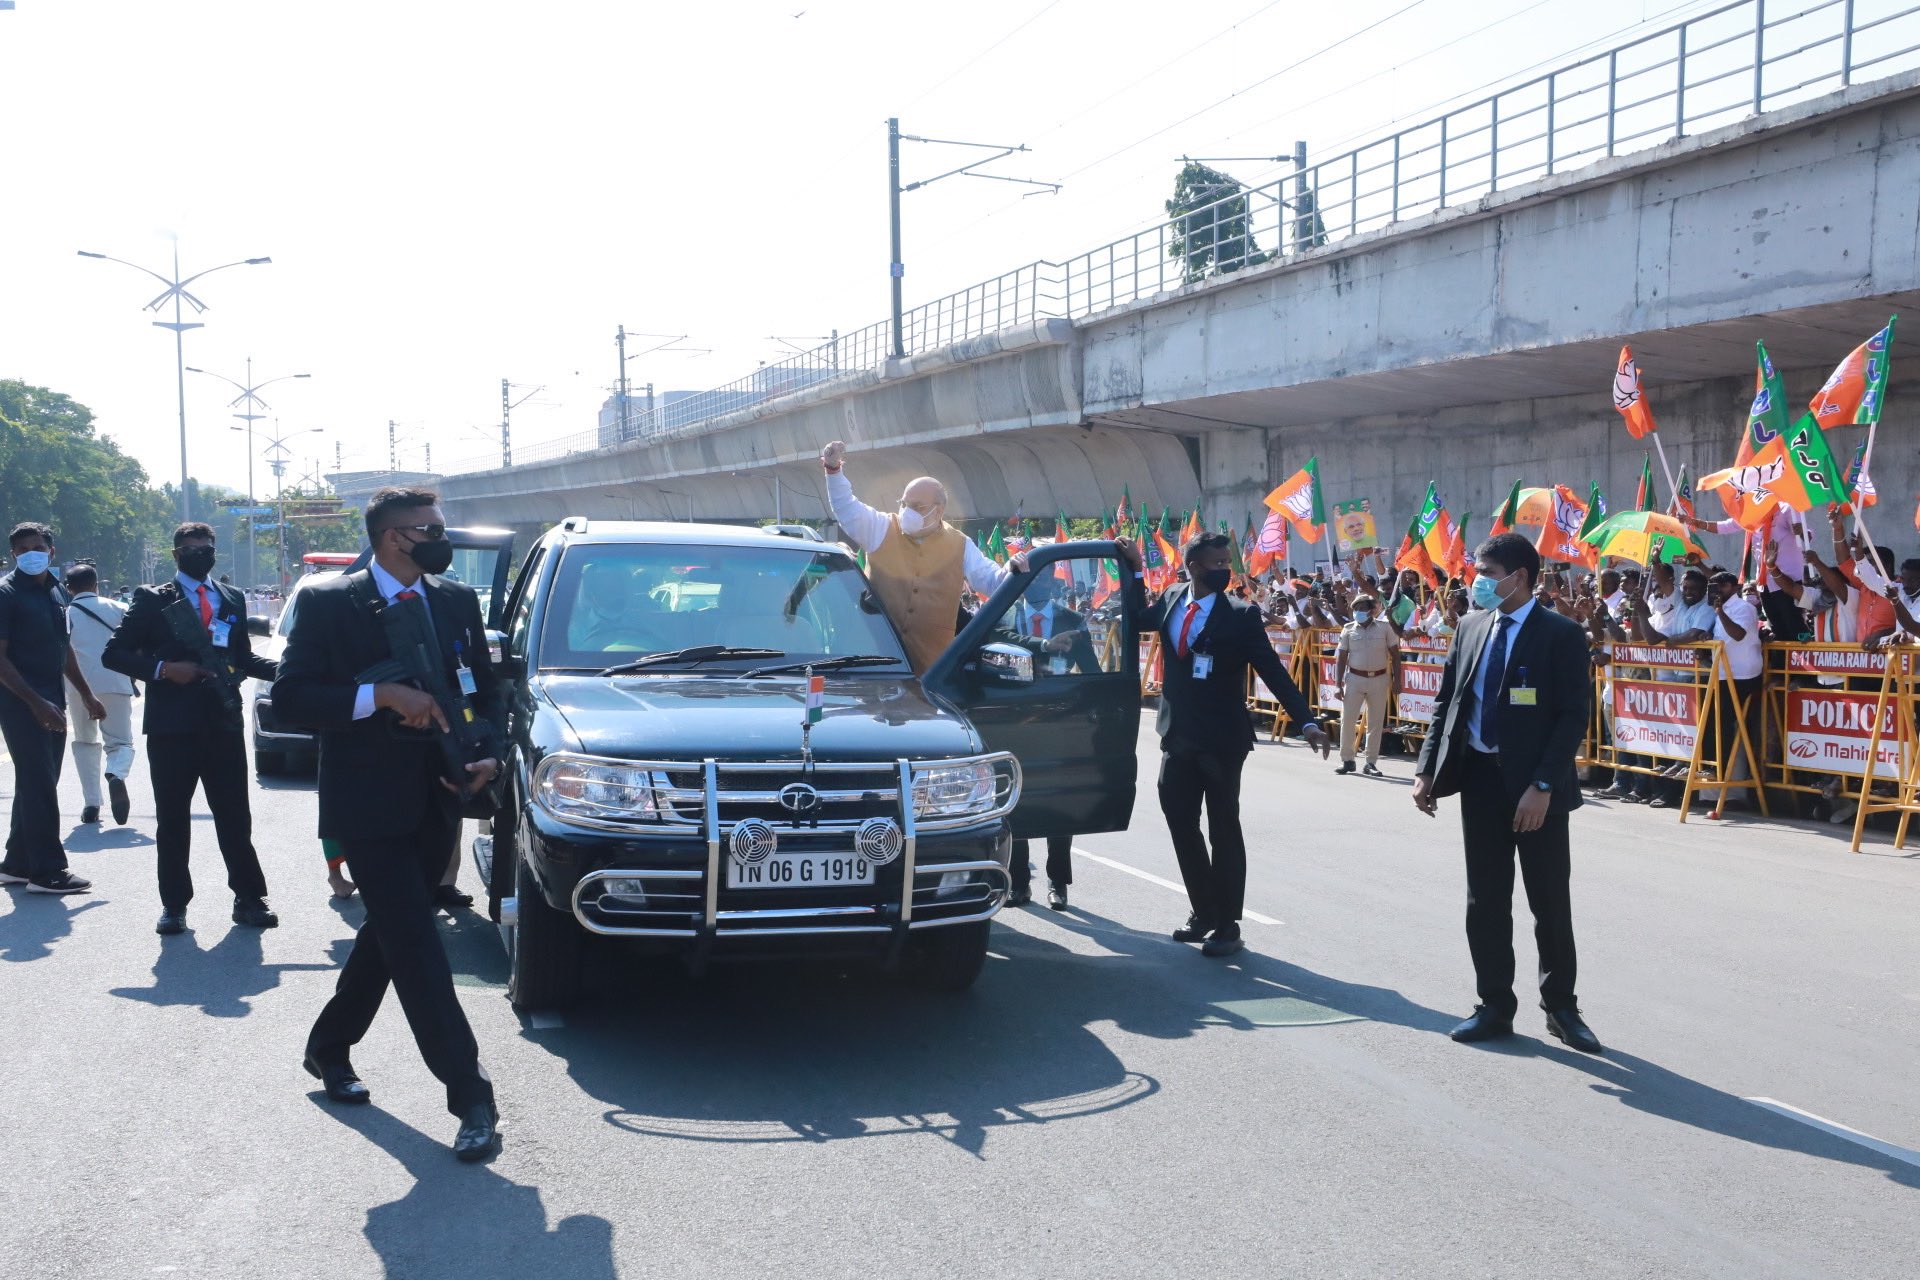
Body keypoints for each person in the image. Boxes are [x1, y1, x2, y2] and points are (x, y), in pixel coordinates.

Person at [274, 487, 504, 1162]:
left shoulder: (456, 601)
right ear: (390, 537)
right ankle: (472, 1096)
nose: (441, 537)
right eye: (428, 529)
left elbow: (484, 689)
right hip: (367, 801)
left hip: (441, 791)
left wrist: (485, 751)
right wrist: (381, 695)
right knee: (419, 946)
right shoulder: (327, 602)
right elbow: (291, 696)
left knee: (393, 932)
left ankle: (328, 1047)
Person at [1412, 532, 1599, 1053]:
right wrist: (1428, 769)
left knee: (1548, 902)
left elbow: (1572, 717)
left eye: (1488, 574)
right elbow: (1447, 702)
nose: (1478, 582)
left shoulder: (1560, 634)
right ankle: (1494, 1004)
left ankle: (1561, 1006)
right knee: (1486, 900)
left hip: (1536, 790)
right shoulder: (1470, 627)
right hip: (1479, 780)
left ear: (1519, 578)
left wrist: (1542, 785)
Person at [1118, 530, 1331, 957]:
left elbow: (1272, 669)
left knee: (1223, 829)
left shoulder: (1241, 614)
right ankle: (1204, 911)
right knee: (1181, 823)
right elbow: (1136, 617)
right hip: (1177, 737)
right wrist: (1135, 568)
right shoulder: (1173, 597)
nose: (1225, 570)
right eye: (1216, 564)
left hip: (1221, 742)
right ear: (1194, 567)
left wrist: (1306, 721)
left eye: (1226, 563)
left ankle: (1228, 924)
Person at [104, 523, 280, 934]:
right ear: (176, 553)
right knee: (173, 818)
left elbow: (244, 659)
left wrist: (290, 671)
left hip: (221, 721)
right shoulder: (153, 600)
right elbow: (115, 654)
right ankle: (174, 905)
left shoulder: (231, 598)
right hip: (172, 727)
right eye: (191, 548)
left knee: (235, 816)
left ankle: (249, 898)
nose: (200, 553)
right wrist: (165, 670)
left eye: (207, 547)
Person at [821, 439, 1009, 671]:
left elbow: (993, 581)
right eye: (904, 504)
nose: (907, 512)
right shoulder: (881, 527)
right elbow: (847, 508)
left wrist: (1014, 567)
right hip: (872, 667)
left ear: (938, 510)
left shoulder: (961, 545)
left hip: (930, 674)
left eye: (917, 507)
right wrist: (833, 470)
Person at [0, 522, 103, 895]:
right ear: (13, 555)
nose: (31, 553)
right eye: (23, 549)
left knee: (36, 781)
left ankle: (17, 863)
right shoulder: (7, 594)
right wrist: (35, 702)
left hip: (51, 699)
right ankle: (47, 871)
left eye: (38, 547)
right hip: (20, 701)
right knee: (40, 782)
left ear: (51, 551)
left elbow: (63, 648)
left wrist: (87, 694)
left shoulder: (57, 592)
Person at [998, 572, 1101, 909]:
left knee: (1059, 804)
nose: (1038, 584)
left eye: (1045, 578)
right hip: (1015, 725)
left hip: (1059, 725)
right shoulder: (1004, 616)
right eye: (1032, 578)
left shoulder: (1072, 620)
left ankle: (1058, 881)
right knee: (1017, 803)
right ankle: (1019, 882)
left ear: (1053, 584)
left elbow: (1091, 674)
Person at [62, 563, 137, 826]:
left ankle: (92, 803)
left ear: (68, 588)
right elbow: (135, 644)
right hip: (115, 681)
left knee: (85, 742)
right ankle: (115, 774)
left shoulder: (65, 614)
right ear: (96, 584)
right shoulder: (119, 608)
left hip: (78, 686)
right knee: (121, 742)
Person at [1333, 592, 1400, 777]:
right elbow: (1341, 658)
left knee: (1376, 723)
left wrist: (1397, 679)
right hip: (1354, 678)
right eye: (1356, 609)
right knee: (1347, 720)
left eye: (1362, 608)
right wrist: (1337, 685)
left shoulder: (1385, 628)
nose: (1358, 612)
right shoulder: (1348, 629)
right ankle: (1347, 760)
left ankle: (1370, 762)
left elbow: (1395, 654)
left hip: (1379, 678)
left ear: (1370, 611)